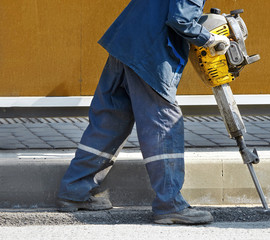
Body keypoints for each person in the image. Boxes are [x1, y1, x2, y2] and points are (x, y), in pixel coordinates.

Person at [56, 0, 230, 225]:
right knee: (164, 124)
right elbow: (181, 19)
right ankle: (170, 205)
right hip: (150, 54)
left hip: (124, 45)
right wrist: (209, 38)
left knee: (110, 121)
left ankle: (74, 191)